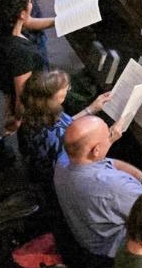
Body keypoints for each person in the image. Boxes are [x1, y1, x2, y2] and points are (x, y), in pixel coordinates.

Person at [55, 115, 142, 261]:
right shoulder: (114, 186)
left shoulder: (63, 161)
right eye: (108, 135)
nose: (112, 136)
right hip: (113, 253)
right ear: (96, 150)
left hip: (86, 233)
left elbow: (109, 162)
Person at [15, 68, 117, 197]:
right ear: (54, 97)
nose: (68, 89)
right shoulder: (55, 136)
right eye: (65, 88)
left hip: (40, 168)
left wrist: (91, 109)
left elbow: (67, 124)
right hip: (61, 184)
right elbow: (80, 167)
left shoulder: (38, 110)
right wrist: (109, 141)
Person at [0, 0, 45, 107]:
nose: (31, 5)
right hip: (34, 103)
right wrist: (17, 120)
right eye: (29, 3)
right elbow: (22, 97)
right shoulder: (20, 52)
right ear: (22, 14)